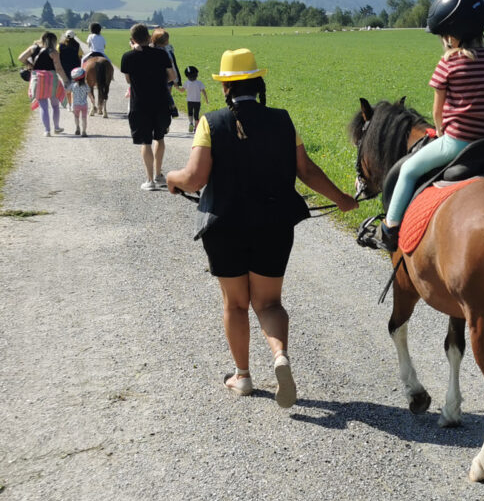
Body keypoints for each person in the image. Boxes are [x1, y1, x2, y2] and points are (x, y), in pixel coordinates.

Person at [165, 48, 358, 407]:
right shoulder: (283, 120)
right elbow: (308, 171)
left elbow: (194, 178)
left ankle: (242, 377)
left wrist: (171, 178)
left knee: (236, 305)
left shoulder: (212, 122)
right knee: (269, 302)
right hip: (274, 225)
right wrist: (343, 198)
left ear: (225, 88)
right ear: (258, 83)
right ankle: (280, 356)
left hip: (225, 227)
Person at [362, 0, 484, 251]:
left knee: (408, 171)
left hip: (457, 142)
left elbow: (437, 112)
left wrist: (442, 132)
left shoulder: (448, 63)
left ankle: (389, 229)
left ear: (452, 34)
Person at [120, 23, 176, 190]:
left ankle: (149, 180)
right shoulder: (161, 54)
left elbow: (128, 80)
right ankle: (159, 175)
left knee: (145, 141)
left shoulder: (127, 57)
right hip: (161, 101)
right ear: (149, 37)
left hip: (140, 103)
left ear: (132, 39)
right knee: (160, 138)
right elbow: (172, 76)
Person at [18, 31, 70, 136]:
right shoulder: (54, 52)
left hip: (37, 79)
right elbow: (59, 69)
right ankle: (56, 127)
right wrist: (66, 81)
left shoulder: (33, 48)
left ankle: (47, 130)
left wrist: (29, 64)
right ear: (53, 41)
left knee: (43, 107)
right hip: (51, 79)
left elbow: (21, 58)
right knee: (55, 106)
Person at [151, 28, 182, 118]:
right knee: (166, 95)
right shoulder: (167, 52)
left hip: (156, 79)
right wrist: (176, 80)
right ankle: (171, 110)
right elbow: (172, 67)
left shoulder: (150, 48)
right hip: (167, 78)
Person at [180, 65, 208, 133]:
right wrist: (206, 99)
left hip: (189, 101)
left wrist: (176, 87)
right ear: (196, 75)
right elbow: (204, 91)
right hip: (197, 101)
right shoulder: (199, 83)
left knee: (190, 113)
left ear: (187, 76)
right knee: (196, 115)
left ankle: (191, 123)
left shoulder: (187, 83)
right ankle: (196, 128)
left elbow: (182, 90)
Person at [58, 30, 82, 109]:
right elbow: (80, 56)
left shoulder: (60, 45)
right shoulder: (77, 45)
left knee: (67, 87)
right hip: (75, 70)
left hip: (64, 69)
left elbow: (56, 56)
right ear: (74, 36)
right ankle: (75, 104)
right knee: (75, 87)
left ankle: (70, 105)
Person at [68, 67, 91, 136]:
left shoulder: (72, 85)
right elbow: (90, 95)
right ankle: (84, 132)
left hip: (75, 105)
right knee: (84, 118)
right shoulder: (86, 85)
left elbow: (68, 92)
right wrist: (93, 102)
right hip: (84, 105)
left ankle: (77, 127)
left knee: (76, 117)